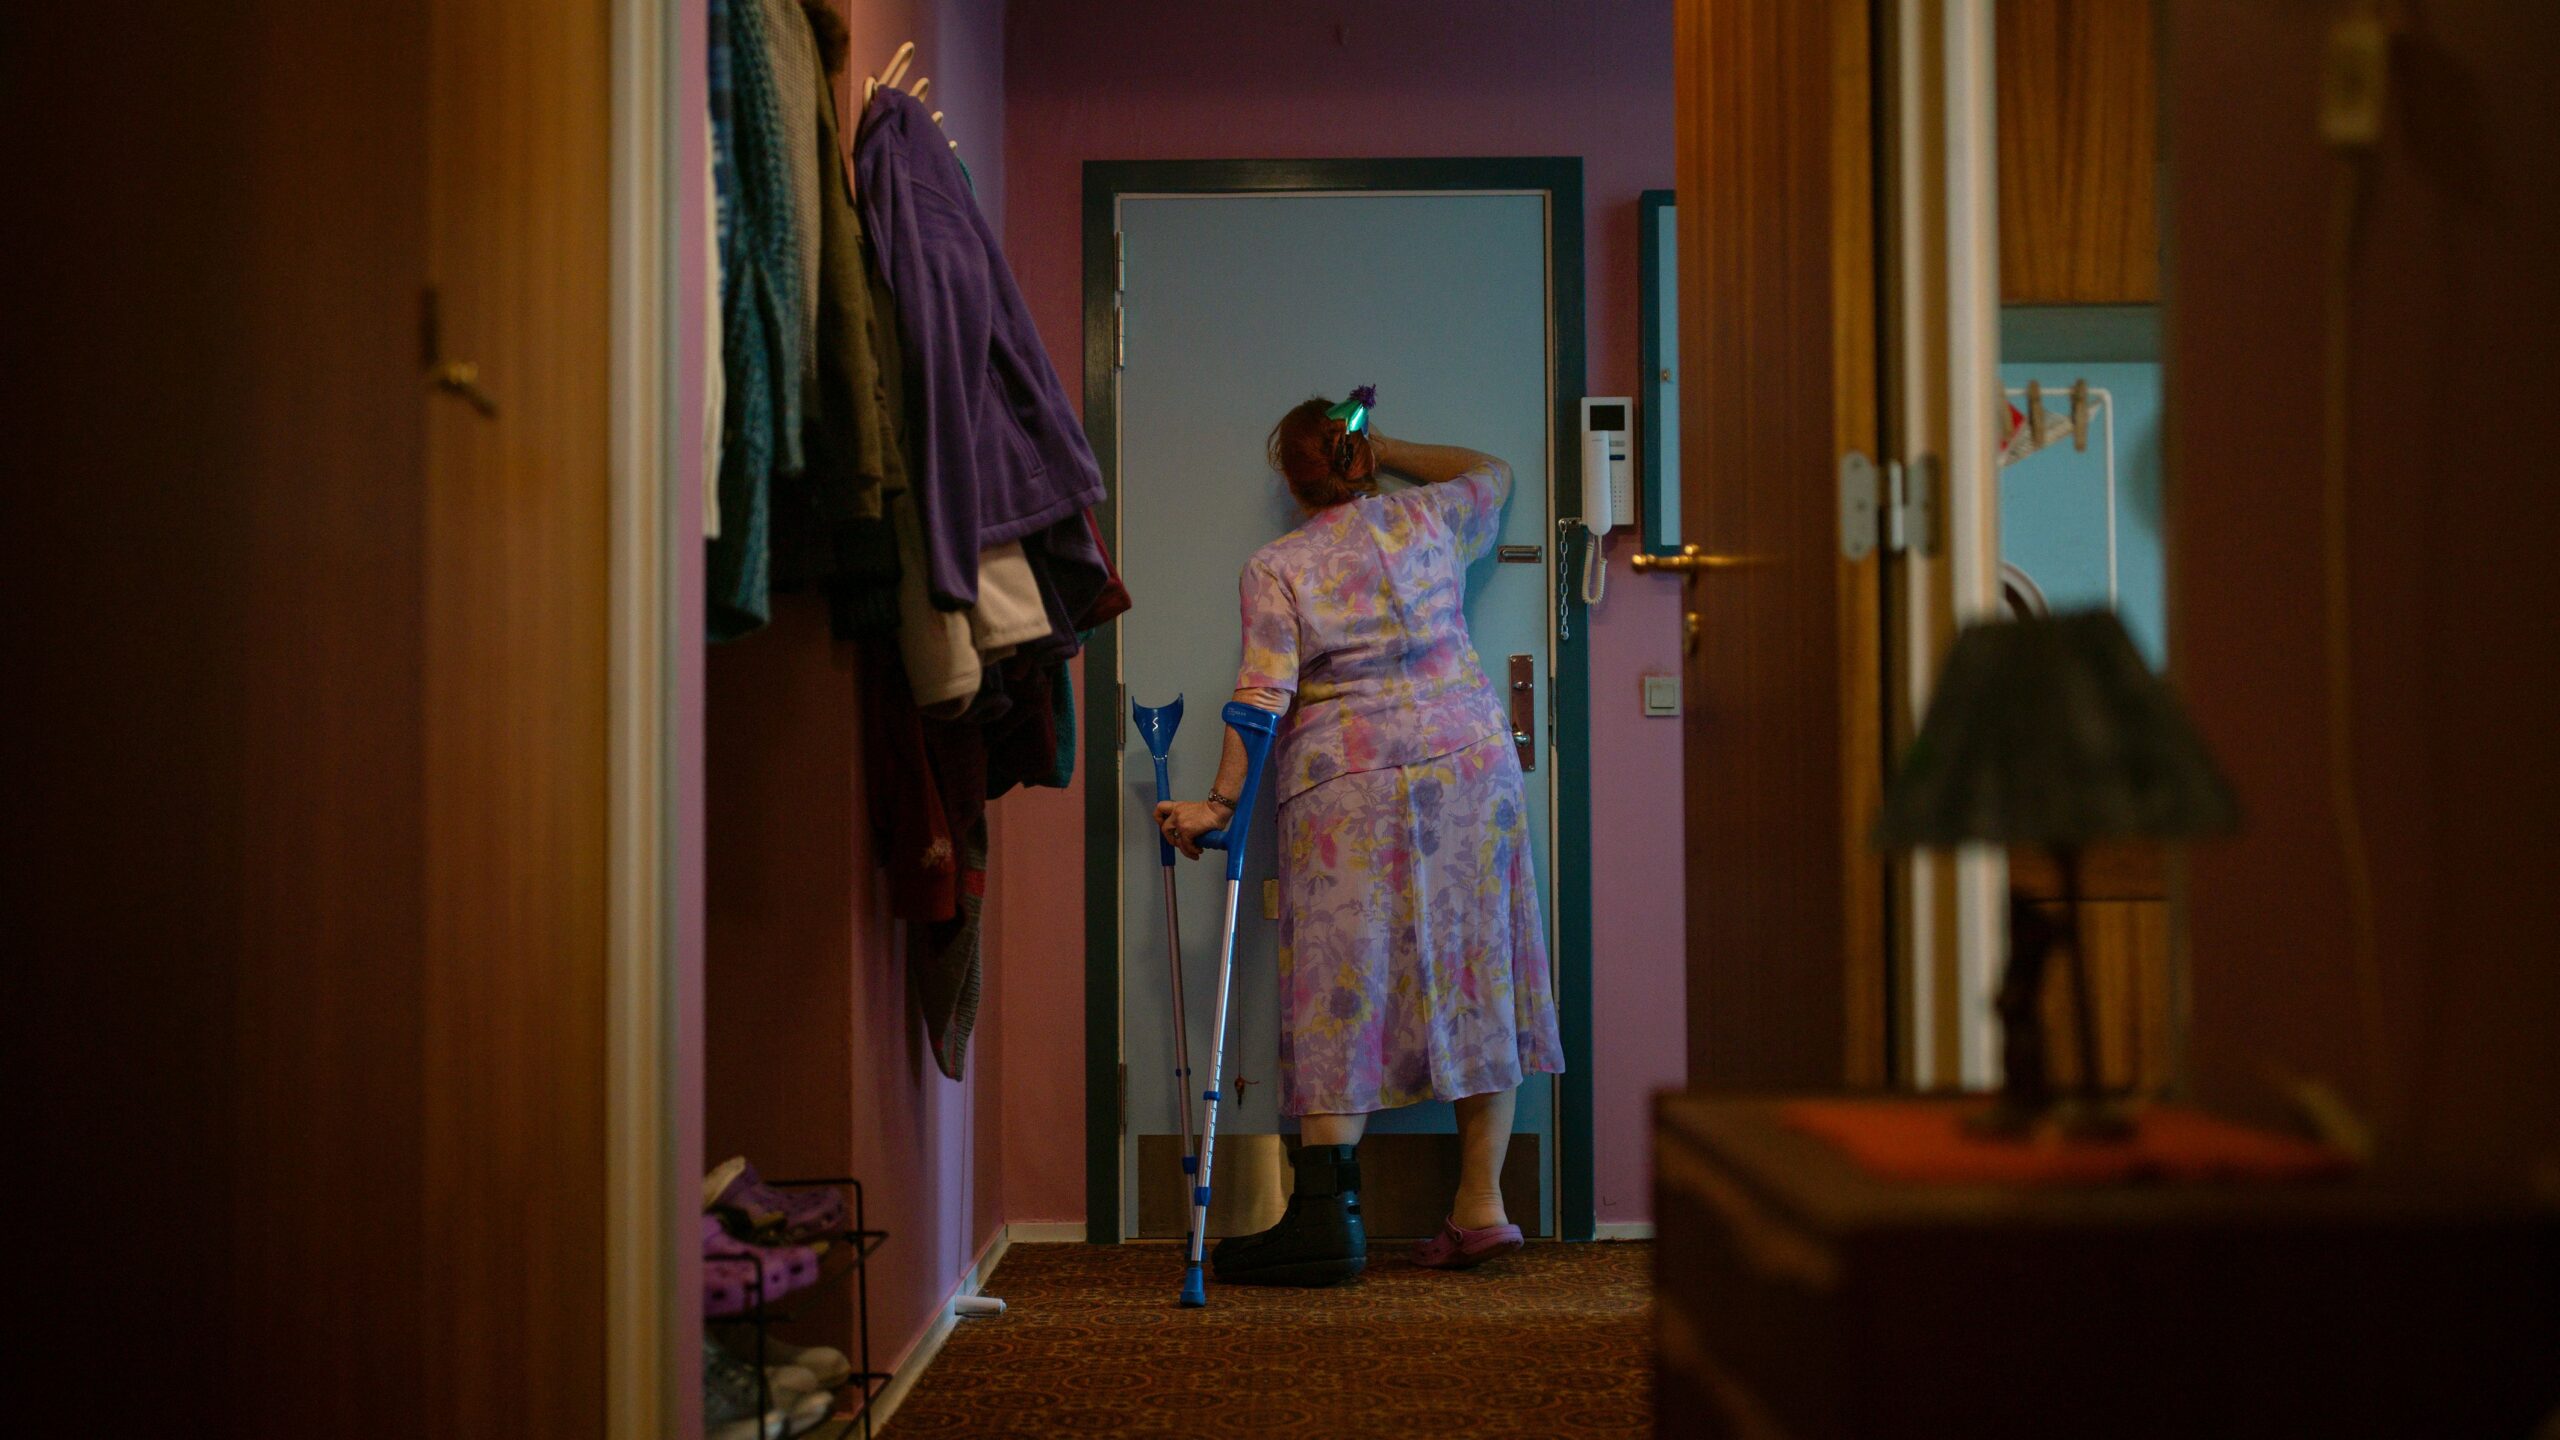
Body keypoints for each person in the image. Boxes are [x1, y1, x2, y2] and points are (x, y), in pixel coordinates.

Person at [1156, 393, 1564, 1287]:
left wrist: (1218, 806)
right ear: (1361, 459)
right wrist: (1390, 447)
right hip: (1468, 763)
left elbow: (1261, 697)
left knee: (1341, 980)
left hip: (1347, 783)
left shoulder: (1279, 565)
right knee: (1477, 967)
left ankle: (1327, 1219)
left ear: (1293, 479)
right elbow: (1493, 471)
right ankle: (1481, 1207)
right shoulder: (1431, 515)